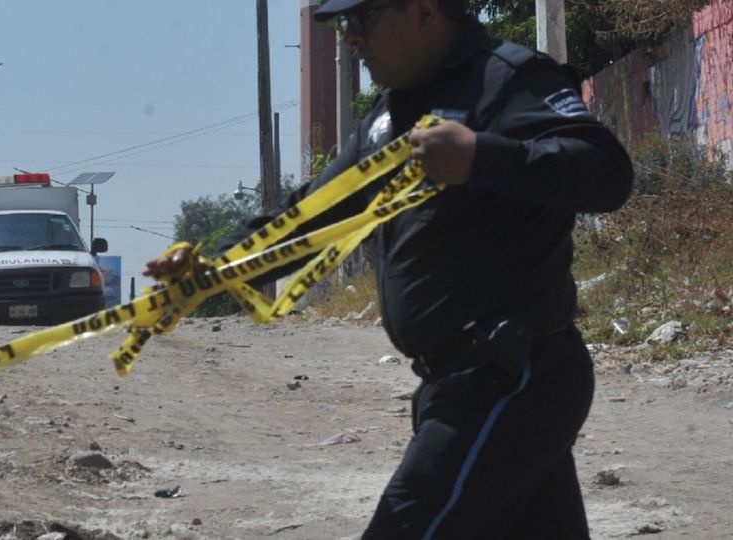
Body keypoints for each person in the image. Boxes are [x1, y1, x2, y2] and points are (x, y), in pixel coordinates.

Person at [145, 0, 634, 537]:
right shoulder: (388, 114)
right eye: (343, 23)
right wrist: (216, 266)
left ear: (424, 12)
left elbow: (607, 172)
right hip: (460, 382)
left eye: (363, 18)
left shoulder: (507, 79)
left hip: (510, 377)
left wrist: (482, 157)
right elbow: (313, 214)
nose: (350, 37)